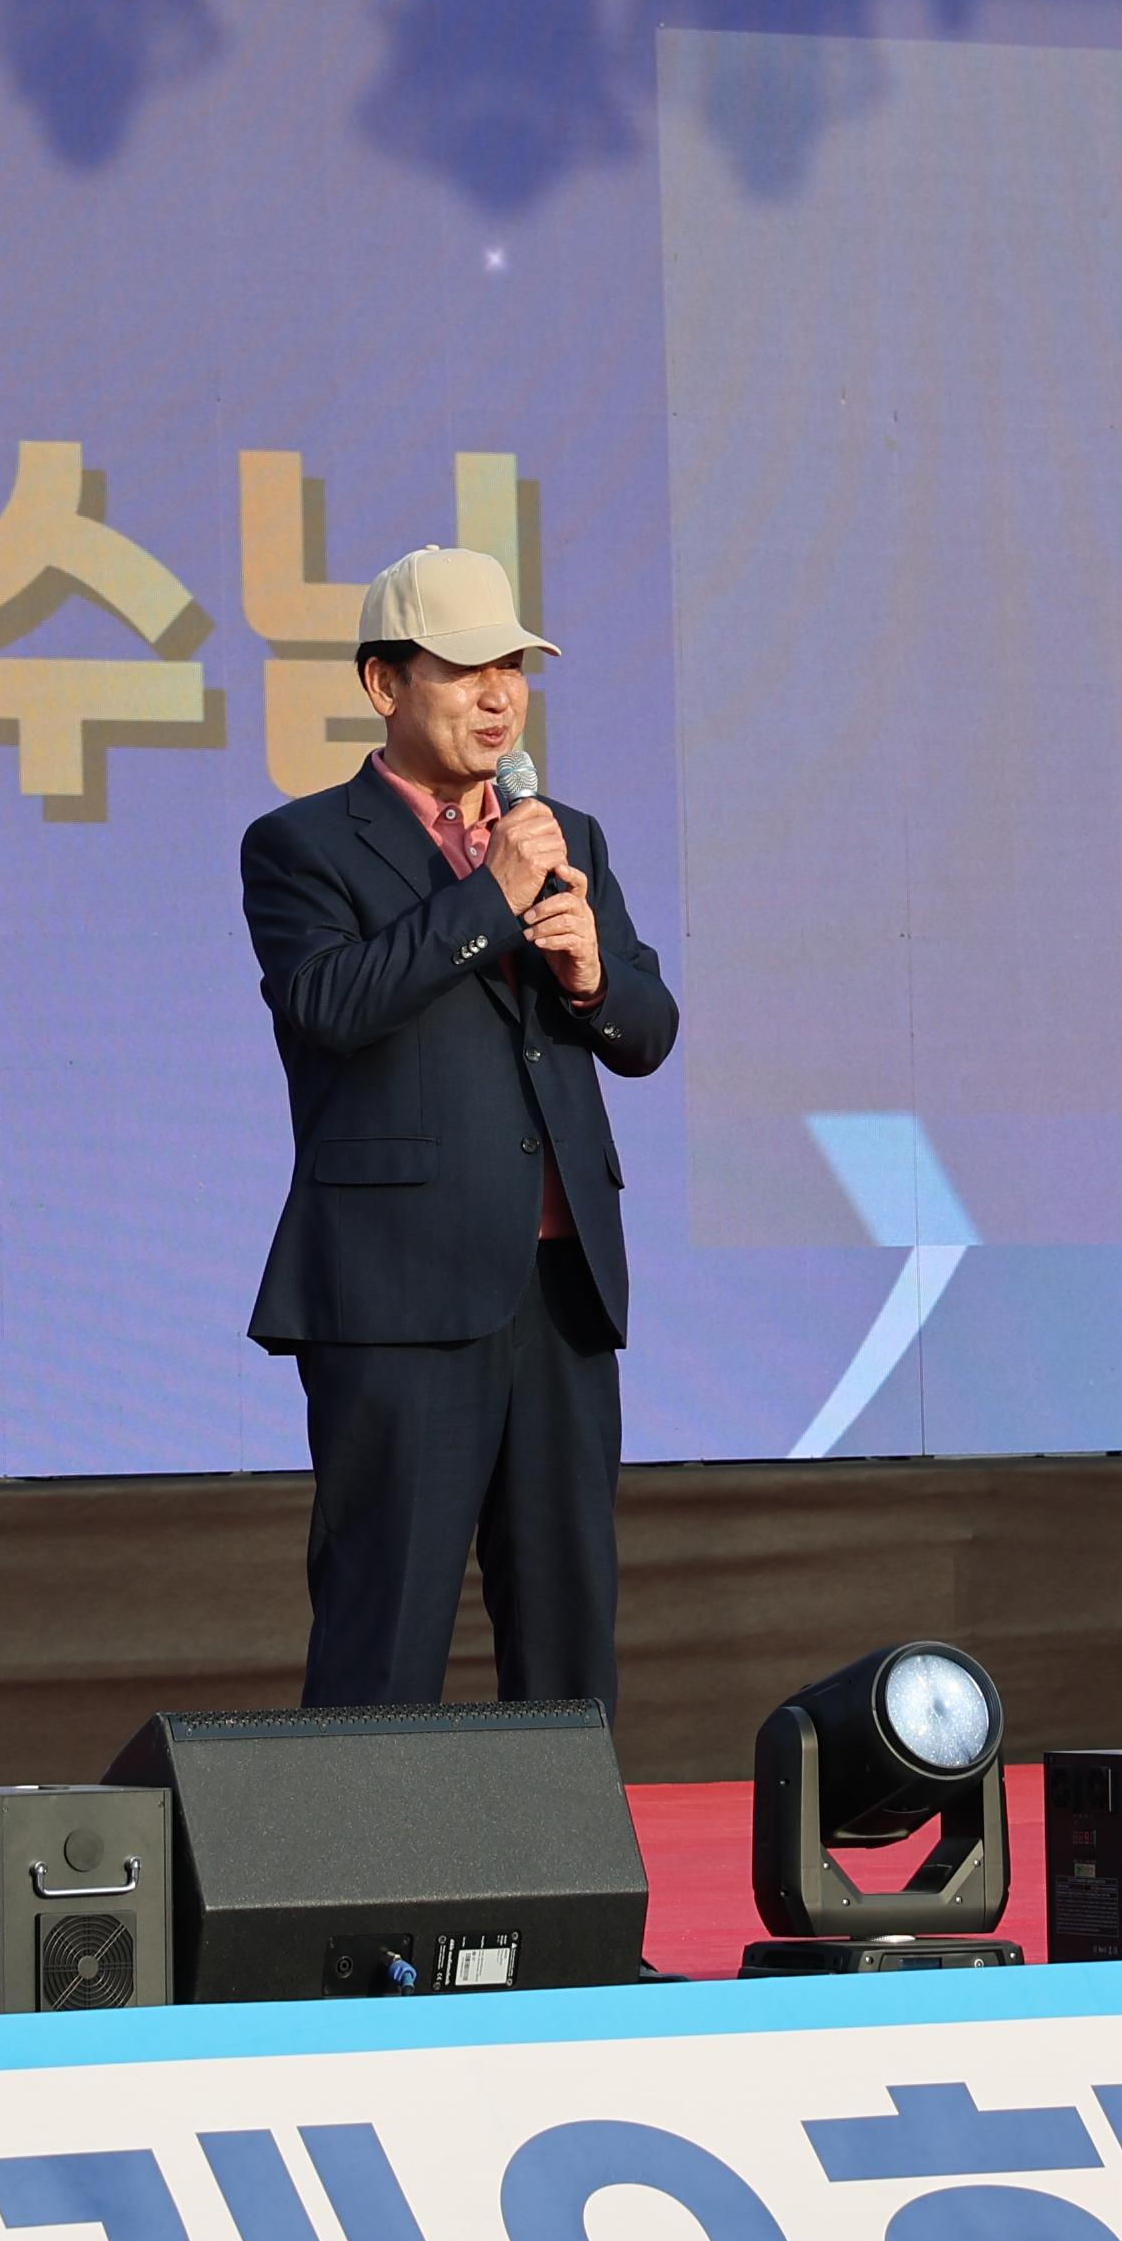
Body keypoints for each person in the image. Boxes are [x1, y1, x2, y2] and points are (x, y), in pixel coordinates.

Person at [242, 545, 681, 1709]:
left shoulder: (564, 833)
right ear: (386, 684)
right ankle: (360, 1890)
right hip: (400, 1294)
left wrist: (593, 977)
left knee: (567, 1620)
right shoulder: (303, 846)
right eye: (465, 669)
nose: (499, 696)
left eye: (515, 669)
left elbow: (647, 1029)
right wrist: (488, 897)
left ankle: (561, 1888)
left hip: (560, 1288)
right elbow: (333, 1005)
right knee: (387, 1619)